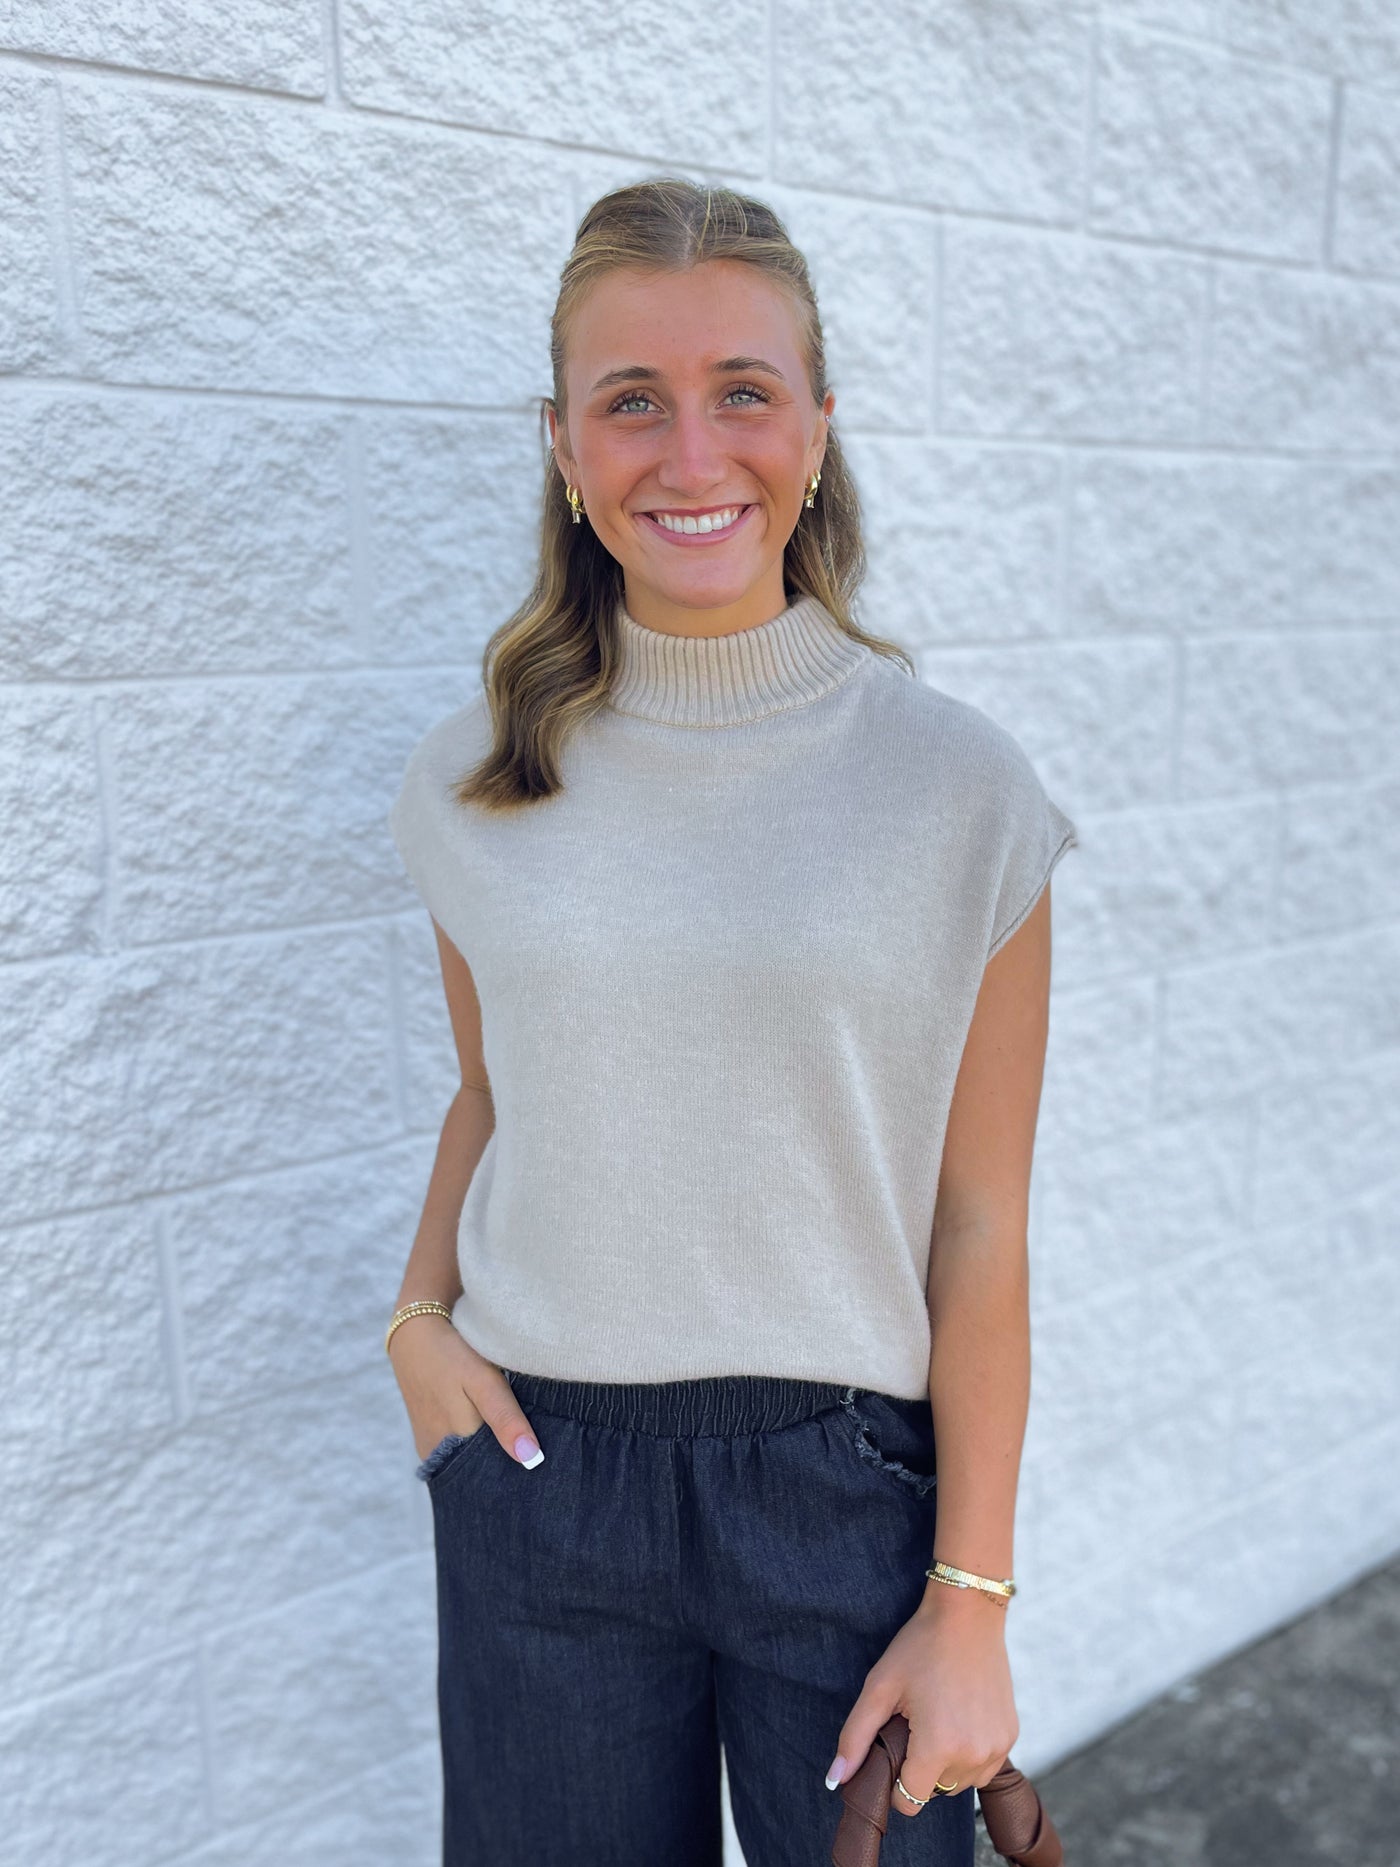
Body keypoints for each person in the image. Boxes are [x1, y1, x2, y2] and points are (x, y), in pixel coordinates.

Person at [384, 177, 1078, 1867]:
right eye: (633, 402)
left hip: (840, 1502)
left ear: (818, 429)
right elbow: (494, 1091)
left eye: (743, 394)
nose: (692, 457)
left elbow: (980, 1226)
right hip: (542, 1474)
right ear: (563, 446)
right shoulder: (476, 779)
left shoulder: (959, 792)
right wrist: (415, 1317)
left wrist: (972, 1600)